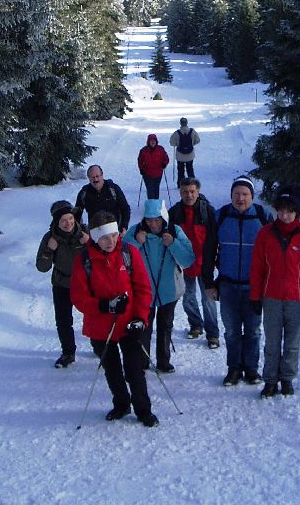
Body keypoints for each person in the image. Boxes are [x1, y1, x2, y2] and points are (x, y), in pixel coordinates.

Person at [69, 211, 159, 427]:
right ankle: (121, 404)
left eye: (114, 235)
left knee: (134, 369)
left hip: (129, 324)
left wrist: (140, 318)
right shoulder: (85, 261)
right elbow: (78, 297)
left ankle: (143, 410)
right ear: (94, 237)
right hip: (101, 326)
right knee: (111, 369)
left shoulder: (129, 253)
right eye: (104, 237)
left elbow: (143, 289)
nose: (110, 241)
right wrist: (103, 305)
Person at [250, 185, 300, 398]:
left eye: (289, 210)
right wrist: (255, 297)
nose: (285, 215)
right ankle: (270, 380)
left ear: (297, 212)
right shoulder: (265, 234)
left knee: (291, 344)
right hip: (271, 298)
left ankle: (287, 379)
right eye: (281, 210)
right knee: (271, 343)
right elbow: (257, 268)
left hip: (296, 300)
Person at [202, 176, 271, 386]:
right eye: (237, 194)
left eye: (245, 194)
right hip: (228, 284)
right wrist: (209, 283)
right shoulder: (221, 216)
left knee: (252, 330)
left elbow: (273, 253)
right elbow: (208, 250)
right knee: (231, 330)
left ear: (252, 196)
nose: (240, 198)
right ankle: (233, 369)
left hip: (254, 285)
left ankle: (251, 368)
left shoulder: (262, 216)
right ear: (231, 195)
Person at [124, 199, 195, 373]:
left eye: (157, 220)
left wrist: (173, 244)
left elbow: (188, 260)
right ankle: (142, 361)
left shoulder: (174, 231)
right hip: (143, 291)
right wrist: (136, 243)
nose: (153, 224)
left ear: (163, 217)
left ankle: (164, 361)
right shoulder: (135, 232)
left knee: (165, 326)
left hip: (169, 290)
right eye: (149, 220)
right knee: (143, 326)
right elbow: (122, 258)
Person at [35, 200, 89, 368]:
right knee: (63, 320)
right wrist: (49, 250)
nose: (68, 223)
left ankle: (99, 346)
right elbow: (42, 267)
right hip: (61, 284)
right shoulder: (50, 238)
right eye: (64, 220)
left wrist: (90, 245)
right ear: (56, 222)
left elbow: (103, 257)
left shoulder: (85, 233)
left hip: (85, 284)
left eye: (71, 219)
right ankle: (68, 353)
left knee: (94, 316)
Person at [168, 177, 220, 349]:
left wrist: (215, 259)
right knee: (188, 297)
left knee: (208, 300)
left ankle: (213, 334)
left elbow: (215, 238)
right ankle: (196, 325)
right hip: (184, 263)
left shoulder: (208, 211)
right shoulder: (175, 212)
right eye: (185, 192)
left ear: (198, 191)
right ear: (180, 192)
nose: (189, 195)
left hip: (204, 263)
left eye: (192, 191)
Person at [74, 164, 130, 236]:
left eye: (97, 176)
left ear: (102, 175)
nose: (95, 179)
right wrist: (78, 231)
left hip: (113, 230)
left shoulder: (113, 189)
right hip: (95, 231)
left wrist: (124, 227)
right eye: (92, 177)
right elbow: (77, 212)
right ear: (88, 178)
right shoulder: (84, 192)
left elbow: (125, 208)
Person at [137, 133, 170, 200]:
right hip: (147, 174)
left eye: (154, 141)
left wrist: (164, 163)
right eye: (151, 141)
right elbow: (139, 160)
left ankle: (156, 204)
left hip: (158, 173)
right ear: (148, 141)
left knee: (156, 188)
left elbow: (166, 158)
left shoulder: (160, 149)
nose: (153, 142)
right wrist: (141, 169)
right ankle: (151, 205)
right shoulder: (143, 150)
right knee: (150, 189)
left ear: (156, 141)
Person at [169, 117, 200, 186]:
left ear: (180, 123)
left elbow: (172, 143)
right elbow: (197, 140)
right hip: (190, 155)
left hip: (180, 155)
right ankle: (193, 184)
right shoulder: (192, 131)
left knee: (180, 171)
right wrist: (192, 144)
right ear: (187, 123)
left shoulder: (177, 133)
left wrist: (178, 144)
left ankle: (180, 184)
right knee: (190, 169)